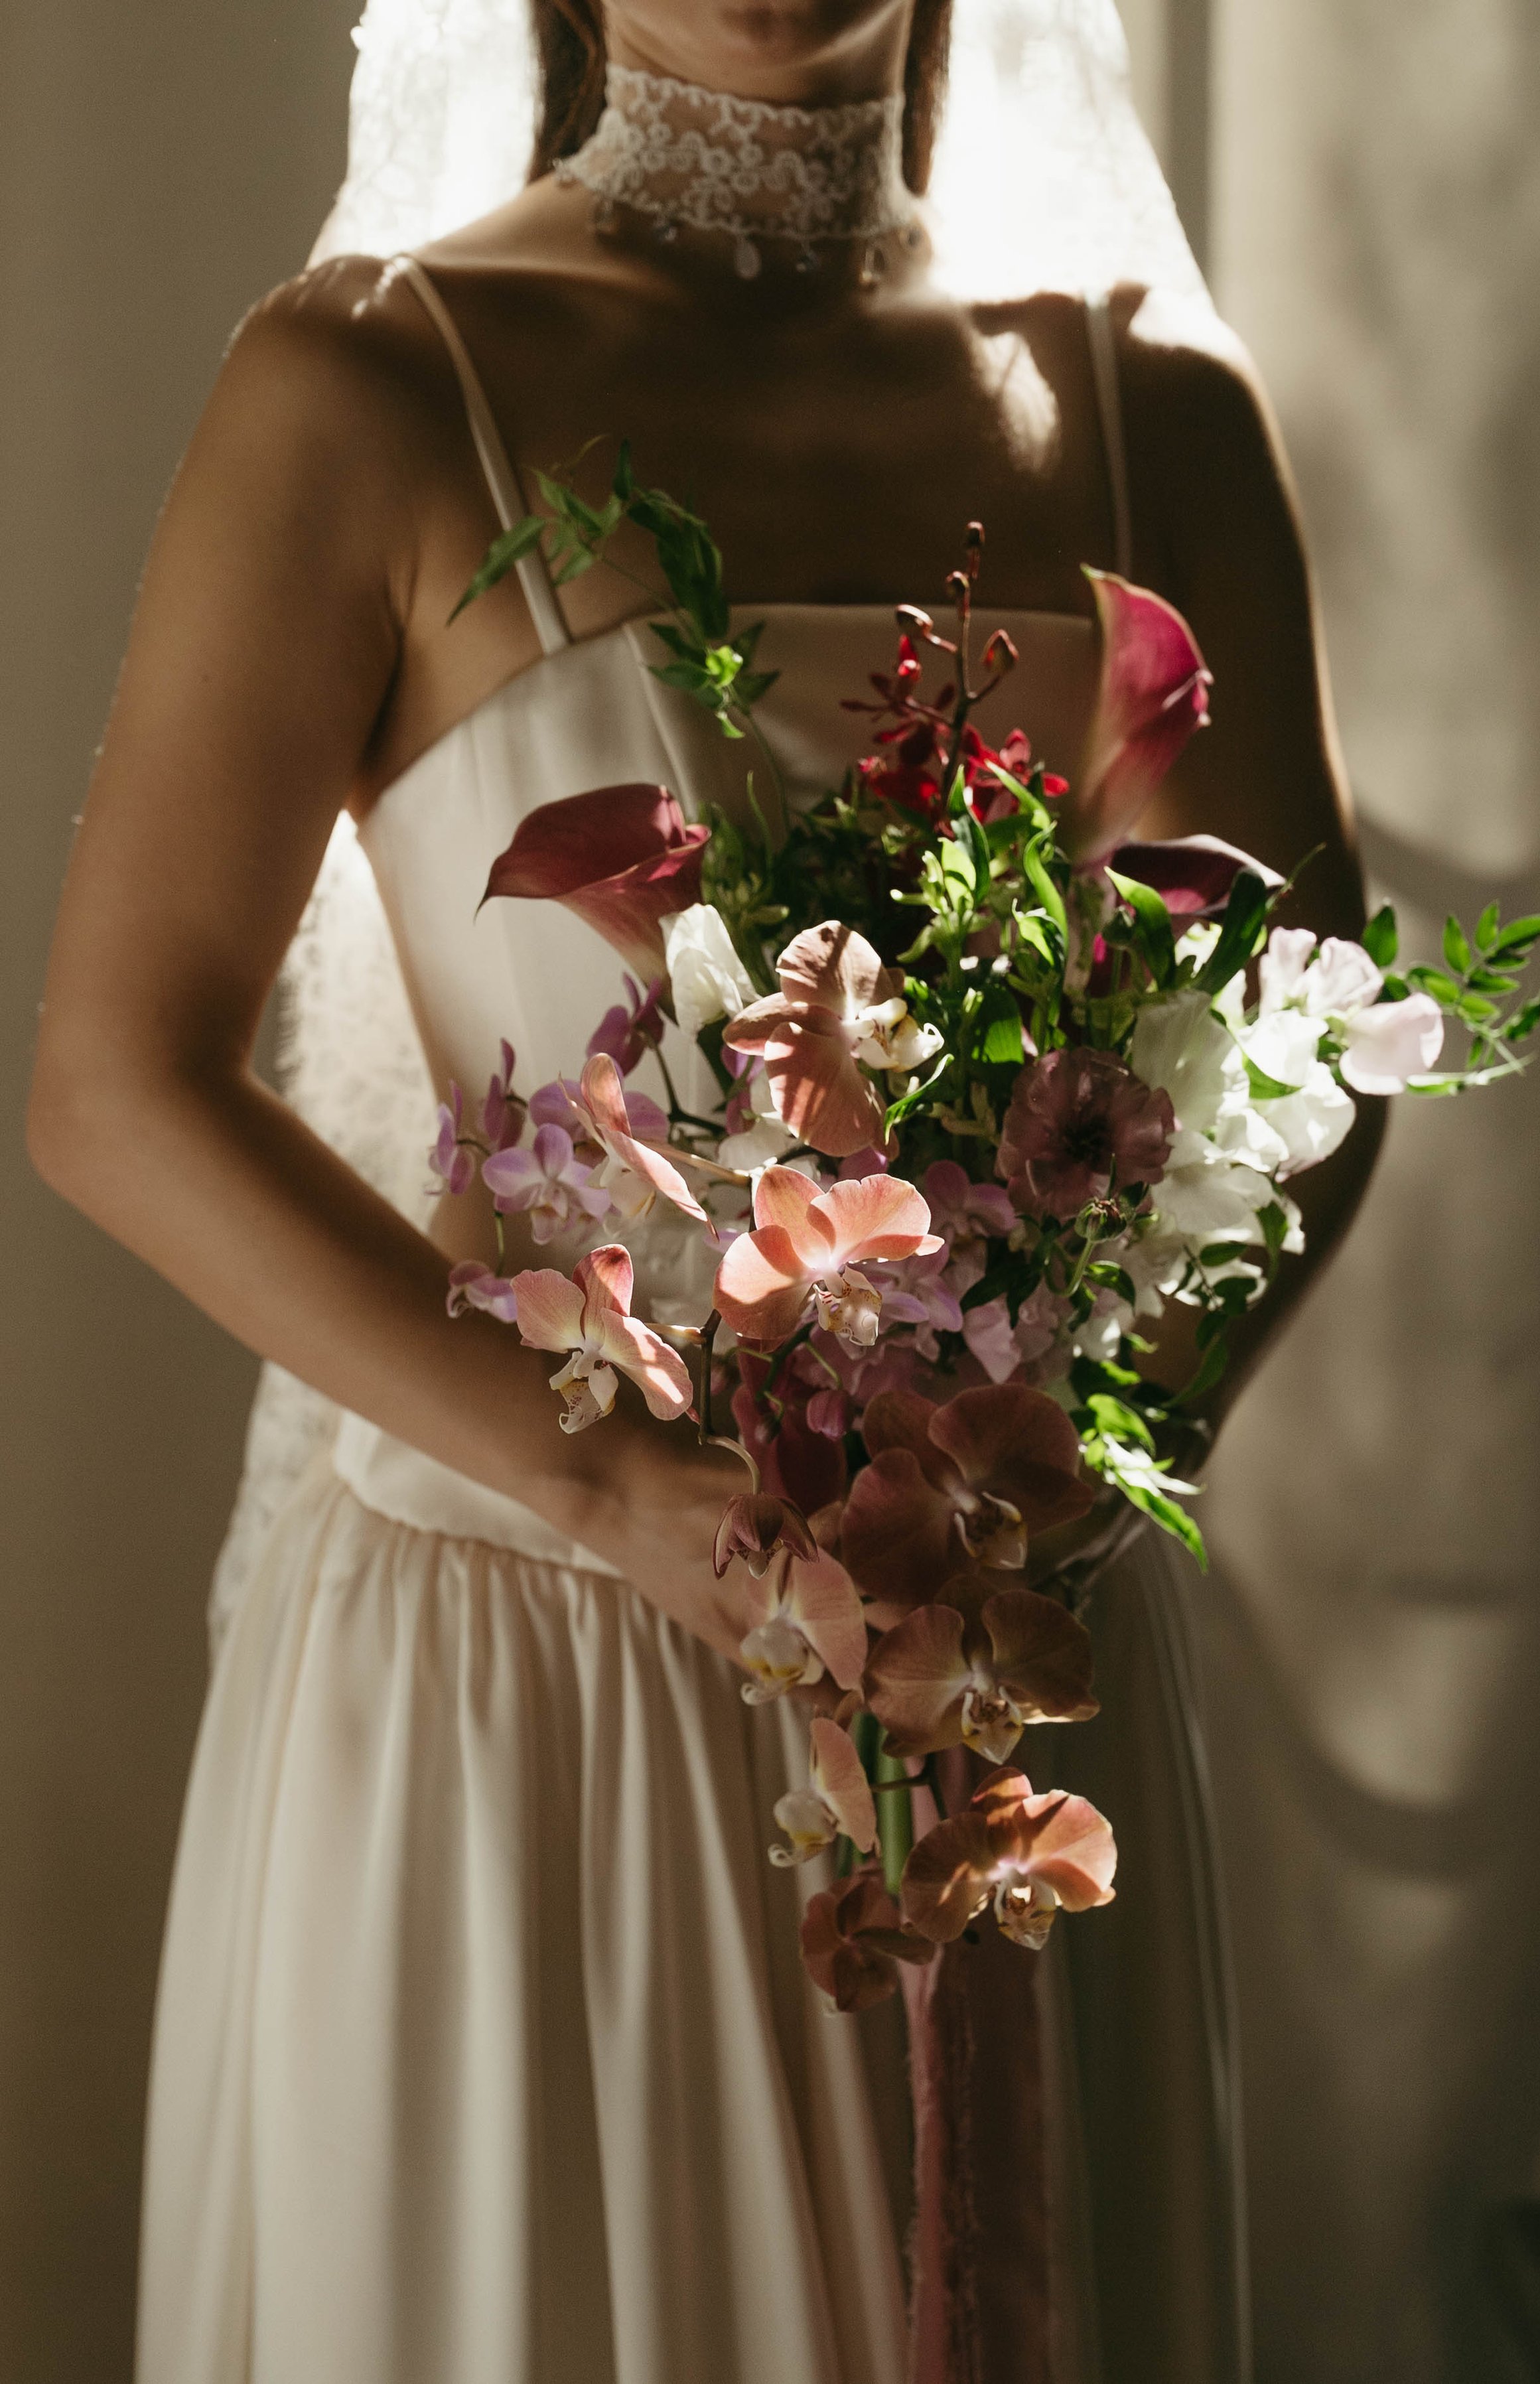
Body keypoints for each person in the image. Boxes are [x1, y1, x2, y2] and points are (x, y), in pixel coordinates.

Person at [27, 2, 1381, 2377]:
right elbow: (116, 1085)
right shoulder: (364, 387)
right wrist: (637, 1495)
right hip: (526, 1667)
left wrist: (1076, 1459)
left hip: (984, 1663)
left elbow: (1315, 1044)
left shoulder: (1159, 407)